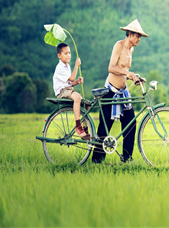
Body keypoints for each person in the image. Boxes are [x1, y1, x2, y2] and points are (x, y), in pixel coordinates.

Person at [92, 19, 148, 164]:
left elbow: (124, 71)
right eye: (137, 36)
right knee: (104, 128)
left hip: (123, 93)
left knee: (130, 124)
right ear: (129, 34)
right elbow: (111, 68)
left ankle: (127, 158)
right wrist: (128, 73)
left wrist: (133, 78)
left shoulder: (131, 50)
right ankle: (97, 161)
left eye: (140, 37)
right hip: (110, 92)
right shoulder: (119, 45)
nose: (139, 39)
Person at [53, 42, 89, 140]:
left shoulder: (67, 66)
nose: (68, 55)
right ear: (59, 56)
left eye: (69, 53)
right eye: (66, 53)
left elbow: (70, 82)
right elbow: (72, 78)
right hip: (62, 92)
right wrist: (76, 65)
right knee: (77, 97)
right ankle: (78, 126)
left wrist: (77, 82)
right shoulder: (60, 67)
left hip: (67, 89)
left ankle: (85, 128)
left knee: (86, 103)